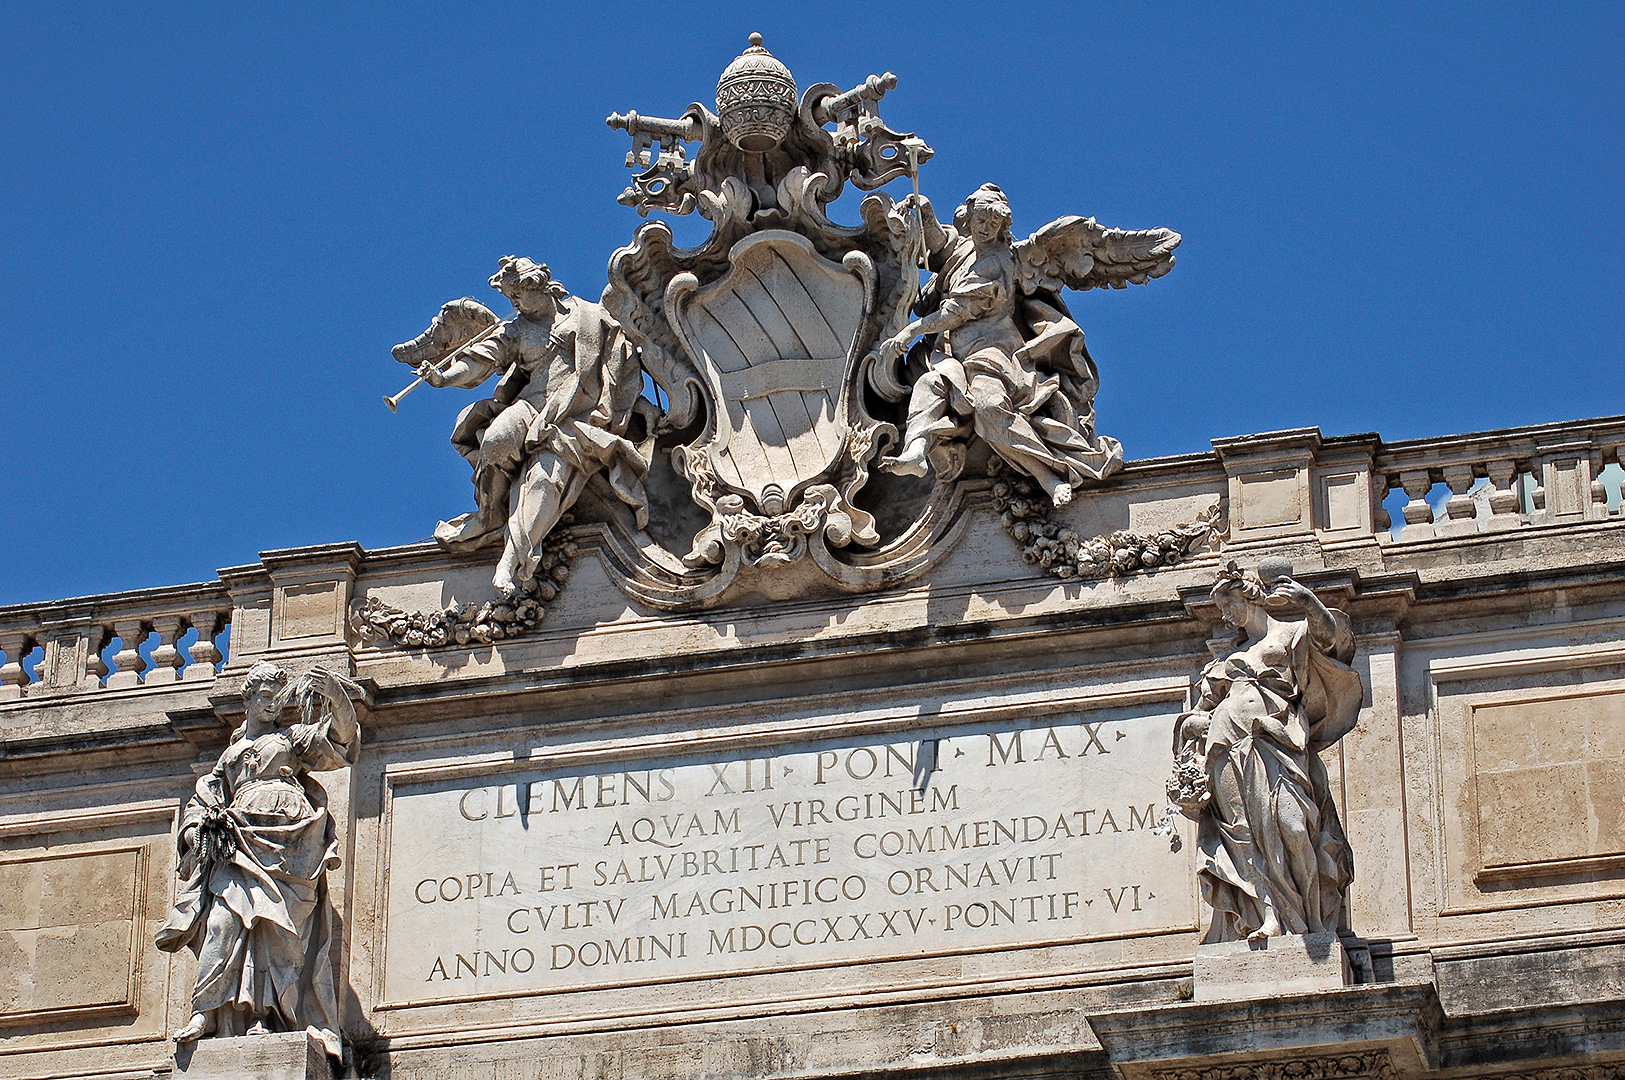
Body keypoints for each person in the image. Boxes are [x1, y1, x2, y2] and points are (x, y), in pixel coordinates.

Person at [416, 256, 652, 597]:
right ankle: (488, 515)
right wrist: (443, 377)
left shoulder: (589, 317)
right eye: (510, 299)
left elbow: (620, 366)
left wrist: (634, 408)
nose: (513, 304)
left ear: (537, 286)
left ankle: (510, 562)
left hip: (576, 415)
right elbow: (481, 359)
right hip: (532, 404)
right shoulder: (517, 329)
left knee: (544, 479)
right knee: (496, 439)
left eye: (517, 295)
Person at [156, 662, 359, 1056]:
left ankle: (269, 1016)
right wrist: (195, 830)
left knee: (278, 932)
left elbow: (343, 745)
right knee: (221, 923)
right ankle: (208, 1010)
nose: (272, 705)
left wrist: (334, 695)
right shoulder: (230, 754)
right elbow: (202, 802)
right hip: (237, 840)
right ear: (248, 698)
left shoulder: (293, 739)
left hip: (290, 841)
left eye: (277, 698)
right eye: (265, 697)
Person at [876, 184, 1122, 505]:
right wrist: (925, 211)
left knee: (990, 412)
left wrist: (909, 333)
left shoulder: (996, 262)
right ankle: (916, 452)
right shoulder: (965, 249)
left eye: (993, 223)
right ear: (970, 217)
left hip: (992, 356)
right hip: (954, 357)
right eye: (980, 218)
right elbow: (938, 243)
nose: (985, 227)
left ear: (1003, 227)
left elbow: (955, 312)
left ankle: (1048, 475)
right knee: (928, 385)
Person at [1173, 561, 1363, 943]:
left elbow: (1333, 644)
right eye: (1221, 609)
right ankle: (1270, 915)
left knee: (1293, 827)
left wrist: (1308, 601)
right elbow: (1197, 714)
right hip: (1226, 748)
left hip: (1278, 744)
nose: (1225, 616)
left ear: (1250, 595)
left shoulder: (1291, 634)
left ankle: (1308, 920)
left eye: (1229, 604)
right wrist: (1193, 727)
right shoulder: (1226, 661)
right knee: (1242, 835)